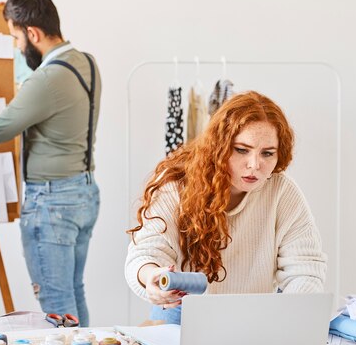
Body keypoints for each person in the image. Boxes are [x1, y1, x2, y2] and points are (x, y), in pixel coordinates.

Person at [0, 0, 101, 326]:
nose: (15, 46)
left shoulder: (46, 79)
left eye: (16, 36)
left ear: (33, 33)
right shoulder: (87, 62)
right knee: (73, 291)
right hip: (84, 193)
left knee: (56, 300)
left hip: (52, 202)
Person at [125, 91, 327, 325]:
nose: (255, 165)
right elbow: (146, 253)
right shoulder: (177, 184)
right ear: (219, 147)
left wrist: (289, 320)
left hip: (255, 317)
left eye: (267, 153)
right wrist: (152, 277)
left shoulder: (282, 191)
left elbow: (306, 269)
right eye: (242, 150)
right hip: (181, 315)